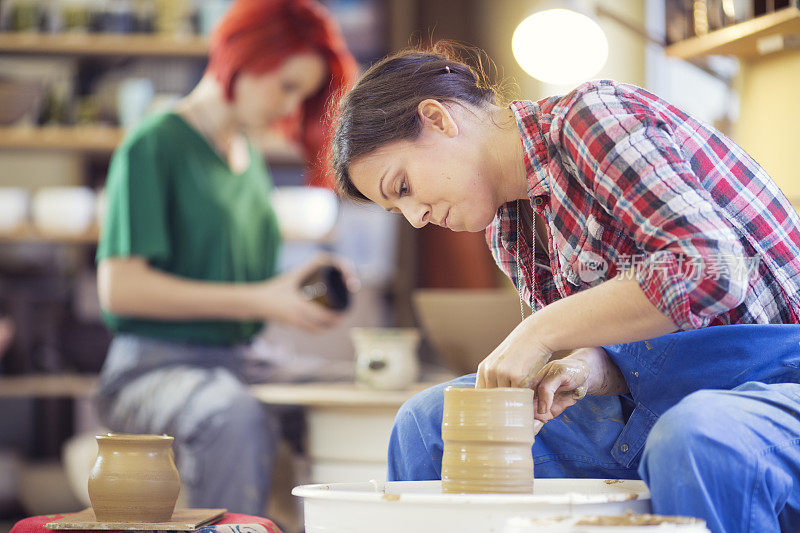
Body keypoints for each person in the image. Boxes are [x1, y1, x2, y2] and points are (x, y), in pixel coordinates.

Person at [330, 44, 800, 532]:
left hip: (780, 384)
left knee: (696, 437)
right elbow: (644, 351)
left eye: (402, 187)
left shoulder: (590, 116)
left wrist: (539, 332)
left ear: (438, 119)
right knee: (427, 424)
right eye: (396, 211)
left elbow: (709, 270)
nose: (416, 217)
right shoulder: (506, 224)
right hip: (665, 398)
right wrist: (588, 367)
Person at [94, 0, 357, 515]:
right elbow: (119, 289)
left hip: (240, 359)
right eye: (285, 85)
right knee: (231, 414)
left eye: (301, 95)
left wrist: (300, 291)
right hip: (152, 368)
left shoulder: (248, 160)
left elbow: (237, 286)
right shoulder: (154, 144)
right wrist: (263, 298)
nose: (289, 106)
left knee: (354, 389)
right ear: (244, 55)